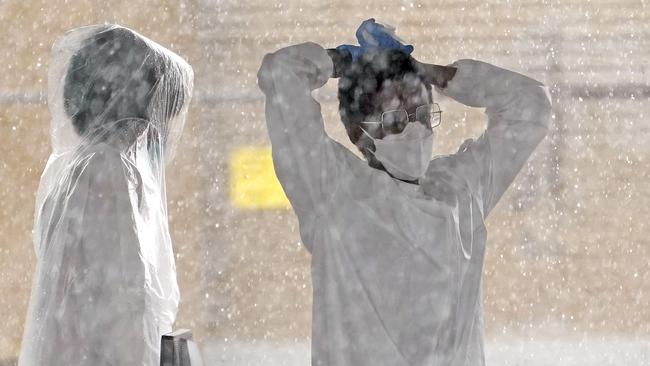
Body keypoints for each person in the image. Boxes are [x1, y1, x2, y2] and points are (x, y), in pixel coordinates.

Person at [258, 19, 551, 366]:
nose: (414, 128)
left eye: (422, 114)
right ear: (357, 134)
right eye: (395, 120)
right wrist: (342, 62)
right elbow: (281, 72)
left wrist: (432, 74)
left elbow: (532, 106)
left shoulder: (458, 191)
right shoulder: (332, 189)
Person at [18, 25, 193, 366]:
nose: (160, 128)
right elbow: (121, 307)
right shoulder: (106, 170)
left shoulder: (84, 167)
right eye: (157, 108)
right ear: (134, 104)